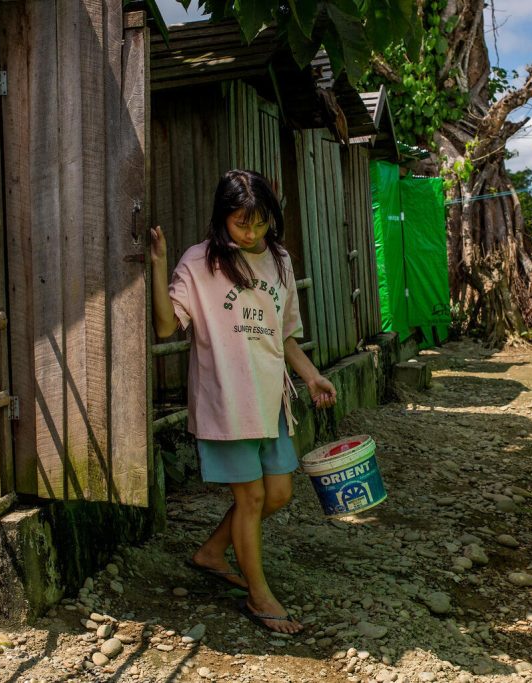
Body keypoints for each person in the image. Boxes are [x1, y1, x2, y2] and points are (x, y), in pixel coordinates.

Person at [150, 169, 337, 635]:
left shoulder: (280, 259)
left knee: (278, 493)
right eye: (241, 224)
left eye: (260, 223)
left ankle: (212, 552)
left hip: (269, 397)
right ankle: (260, 597)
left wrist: (312, 376)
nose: (252, 233)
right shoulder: (199, 264)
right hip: (226, 400)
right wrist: (157, 268)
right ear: (222, 220)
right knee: (251, 497)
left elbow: (286, 336)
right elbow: (166, 328)